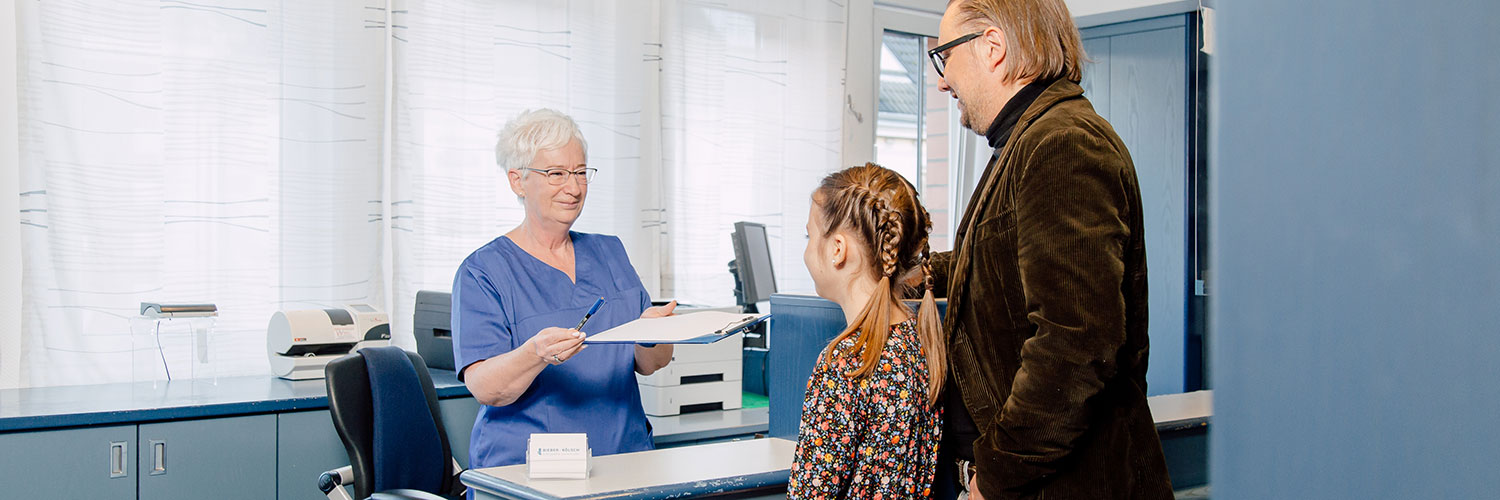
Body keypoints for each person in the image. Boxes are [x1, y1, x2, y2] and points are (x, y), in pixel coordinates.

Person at [925, 0, 1173, 498]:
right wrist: (915, 273)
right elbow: (1002, 264)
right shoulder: (1026, 140)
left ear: (992, 47)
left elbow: (1075, 344)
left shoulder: (1061, 144)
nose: (942, 81)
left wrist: (994, 478)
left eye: (943, 57)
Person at [451, 108, 676, 469]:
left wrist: (652, 333)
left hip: (625, 461)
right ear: (517, 180)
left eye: (581, 173)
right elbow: (487, 388)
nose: (573, 188)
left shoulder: (610, 252)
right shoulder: (483, 271)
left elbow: (650, 363)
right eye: (556, 174)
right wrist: (534, 354)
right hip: (529, 470)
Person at [789, 163, 947, 499]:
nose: (806, 249)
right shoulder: (921, 344)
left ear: (837, 249)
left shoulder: (844, 366)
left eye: (810, 235)